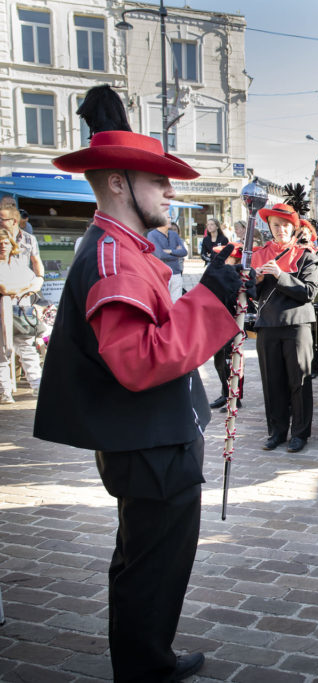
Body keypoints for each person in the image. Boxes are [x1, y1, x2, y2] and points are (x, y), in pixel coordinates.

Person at [33, 85, 243, 682]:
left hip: (153, 438)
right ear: (120, 183)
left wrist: (211, 291)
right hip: (149, 444)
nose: (172, 192)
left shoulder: (123, 247)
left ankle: (149, 658)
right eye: (160, 181)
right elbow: (139, 362)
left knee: (149, 564)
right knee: (152, 567)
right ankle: (145, 671)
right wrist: (212, 298)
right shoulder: (113, 257)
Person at [250, 199, 318, 454]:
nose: (280, 229)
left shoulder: (305, 256)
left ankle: (300, 433)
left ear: (293, 228)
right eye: (276, 225)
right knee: (272, 381)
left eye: (285, 225)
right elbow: (251, 295)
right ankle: (277, 431)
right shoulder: (258, 254)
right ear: (269, 226)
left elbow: (309, 292)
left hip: (297, 324)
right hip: (267, 324)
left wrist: (280, 276)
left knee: (299, 380)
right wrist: (255, 282)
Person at [0, 214, 44, 403]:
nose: (3, 246)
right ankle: (5, 391)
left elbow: (35, 283)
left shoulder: (19, 266)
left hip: (20, 314)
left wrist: (19, 289)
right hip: (3, 315)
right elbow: (4, 288)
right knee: (2, 354)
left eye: (6, 243)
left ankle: (38, 386)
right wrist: (20, 289)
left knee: (28, 350)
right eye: (0, 243)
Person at [147, 221, 188, 302]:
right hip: (162, 274)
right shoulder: (152, 235)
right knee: (164, 302)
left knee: (176, 303)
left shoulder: (174, 235)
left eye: (169, 217)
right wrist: (176, 254)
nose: (169, 219)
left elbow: (184, 252)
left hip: (176, 273)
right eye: (167, 217)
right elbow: (160, 255)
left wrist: (170, 251)